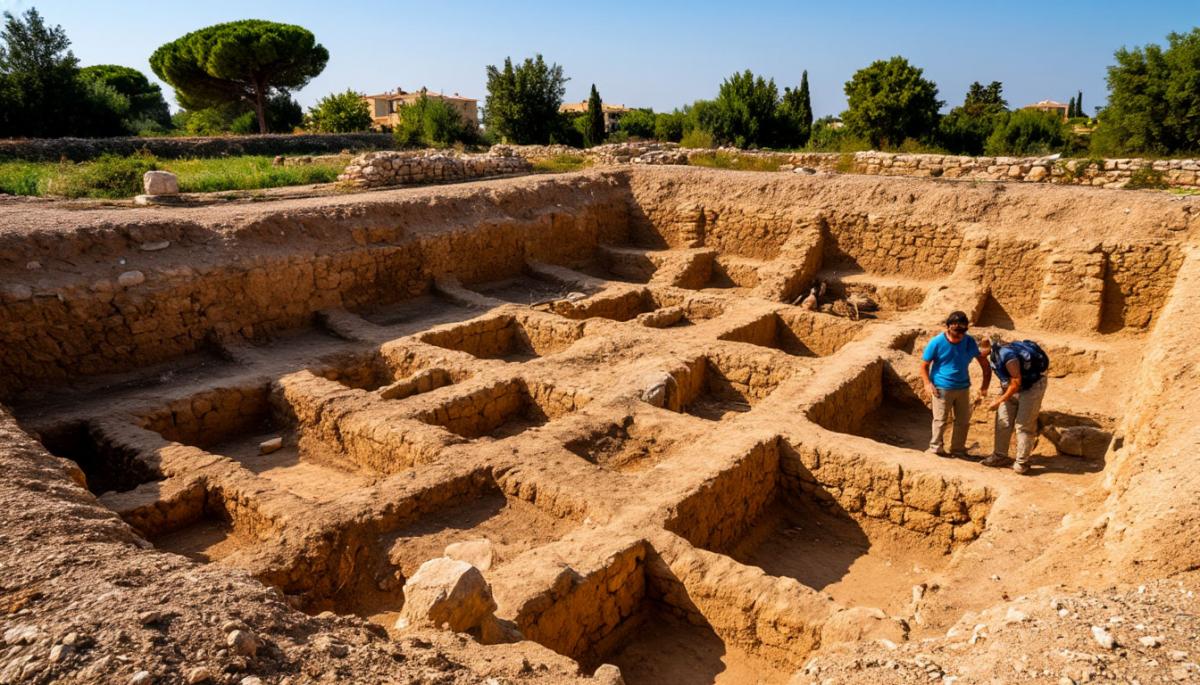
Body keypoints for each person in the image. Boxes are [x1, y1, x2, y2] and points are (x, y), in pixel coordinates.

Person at [920, 311, 992, 458]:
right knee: (940, 420)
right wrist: (927, 384)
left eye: (961, 332)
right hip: (941, 387)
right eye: (955, 332)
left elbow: (984, 364)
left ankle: (958, 449)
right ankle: (936, 449)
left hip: (963, 387)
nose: (958, 336)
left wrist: (985, 386)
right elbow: (924, 365)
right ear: (948, 327)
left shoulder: (969, 341)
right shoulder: (937, 342)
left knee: (963, 421)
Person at [980, 336, 1050, 475]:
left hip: (1031, 388)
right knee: (1003, 421)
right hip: (1010, 387)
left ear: (986, 347)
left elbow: (1016, 381)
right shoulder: (993, 354)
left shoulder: (1007, 355)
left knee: (1023, 425)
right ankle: (1000, 456)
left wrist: (999, 400)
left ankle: (1022, 463)